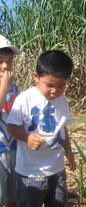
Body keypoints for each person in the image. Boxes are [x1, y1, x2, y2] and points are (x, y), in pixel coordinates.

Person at [7, 50, 76, 207]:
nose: (55, 91)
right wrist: (27, 138)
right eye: (49, 85)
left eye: (61, 86)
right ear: (36, 77)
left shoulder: (62, 100)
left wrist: (69, 152)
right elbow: (11, 127)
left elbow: (62, 128)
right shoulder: (25, 99)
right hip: (30, 172)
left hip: (57, 170)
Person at [0, 35, 21, 207]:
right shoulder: (8, 86)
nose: (5, 66)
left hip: (14, 147)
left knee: (13, 195)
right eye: (0, 61)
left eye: (9, 61)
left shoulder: (14, 87)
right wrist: (4, 86)